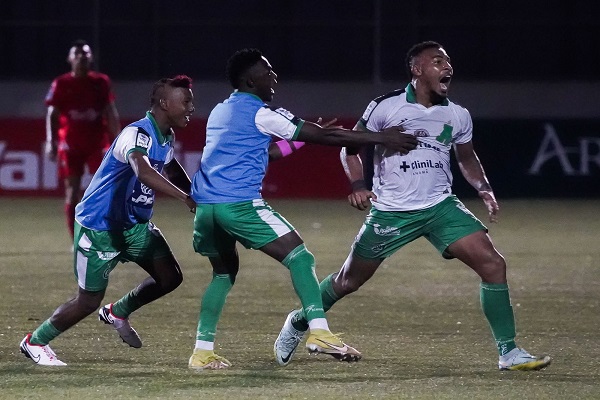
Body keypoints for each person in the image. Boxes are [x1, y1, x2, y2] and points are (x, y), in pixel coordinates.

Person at [274, 41, 552, 372]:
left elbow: (466, 157)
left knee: (493, 265)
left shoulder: (457, 114)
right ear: (417, 70)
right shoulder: (385, 107)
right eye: (438, 61)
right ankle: (301, 320)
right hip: (392, 210)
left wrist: (484, 188)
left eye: (448, 61)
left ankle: (509, 353)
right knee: (348, 282)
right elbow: (349, 147)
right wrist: (359, 186)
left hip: (440, 207)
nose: (447, 66)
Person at [187, 48, 418, 370]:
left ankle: (201, 352)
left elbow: (264, 153)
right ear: (251, 80)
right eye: (268, 72)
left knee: (223, 275)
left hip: (206, 209)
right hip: (238, 205)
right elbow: (327, 136)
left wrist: (298, 141)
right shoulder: (262, 112)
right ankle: (319, 332)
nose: (274, 76)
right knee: (301, 257)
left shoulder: (221, 112)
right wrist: (382, 138)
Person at [20, 75, 197, 366]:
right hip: (99, 228)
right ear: (165, 103)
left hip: (134, 228)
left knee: (170, 277)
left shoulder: (166, 135)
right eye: (186, 101)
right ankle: (35, 341)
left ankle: (117, 311)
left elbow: (170, 166)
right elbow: (143, 171)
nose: (192, 107)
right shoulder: (136, 134)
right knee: (87, 301)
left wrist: (196, 193)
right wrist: (185, 199)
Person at [45, 39, 121, 241]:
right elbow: (52, 113)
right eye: (77, 54)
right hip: (71, 144)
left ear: (91, 58)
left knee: (104, 190)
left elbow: (110, 111)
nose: (81, 58)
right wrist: (50, 141)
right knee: (72, 190)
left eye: (85, 54)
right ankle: (76, 240)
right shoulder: (61, 83)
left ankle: (103, 234)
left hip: (97, 143)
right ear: (70, 59)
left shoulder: (101, 82)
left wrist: (119, 139)